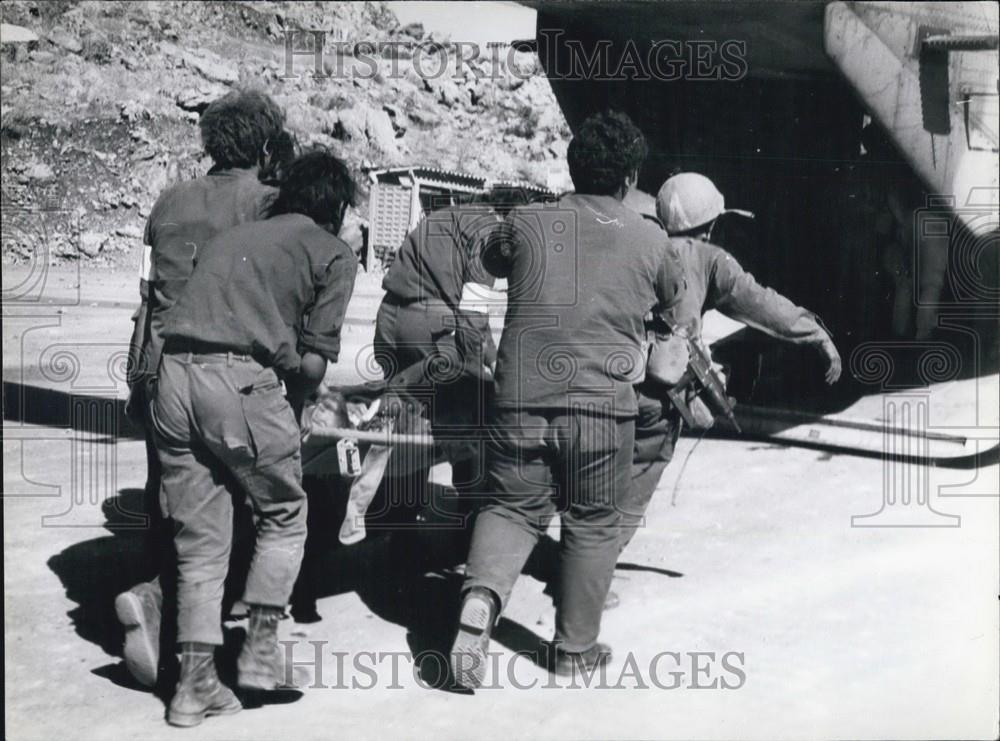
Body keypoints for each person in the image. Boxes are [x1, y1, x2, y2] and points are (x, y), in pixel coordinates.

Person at [448, 110, 686, 688]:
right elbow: (675, 310)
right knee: (593, 520)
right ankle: (574, 650)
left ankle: (481, 595)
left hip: (520, 396)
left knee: (509, 506)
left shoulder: (527, 221)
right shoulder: (652, 239)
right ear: (630, 178)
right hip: (603, 407)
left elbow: (479, 261)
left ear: (572, 168)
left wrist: (473, 319)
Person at [151, 148, 358, 727]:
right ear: (336, 208)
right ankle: (261, 654)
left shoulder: (237, 235)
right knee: (287, 514)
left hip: (172, 380)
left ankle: (193, 690)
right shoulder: (333, 253)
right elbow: (313, 370)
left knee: (201, 541)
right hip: (238, 386)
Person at [118, 89, 286, 688]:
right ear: (266, 146)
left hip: (161, 368)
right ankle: (180, 615)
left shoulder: (168, 202)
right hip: (228, 374)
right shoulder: (270, 205)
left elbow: (144, 300)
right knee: (239, 506)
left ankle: (160, 616)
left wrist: (138, 376)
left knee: (172, 500)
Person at [624, 172, 842, 549]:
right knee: (637, 478)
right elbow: (761, 304)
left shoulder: (636, 244)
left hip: (608, 374)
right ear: (710, 227)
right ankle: (585, 577)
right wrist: (814, 332)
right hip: (657, 393)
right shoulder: (709, 258)